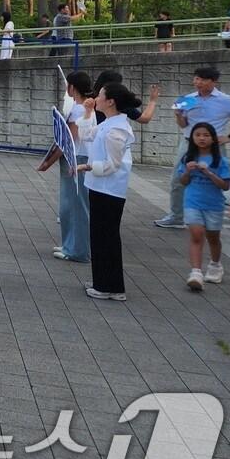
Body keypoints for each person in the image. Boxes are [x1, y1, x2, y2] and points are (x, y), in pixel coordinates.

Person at [155, 66, 230, 229]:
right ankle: (177, 217)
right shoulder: (188, 99)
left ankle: (211, 214)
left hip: (215, 146)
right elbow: (183, 124)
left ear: (213, 81)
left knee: (216, 178)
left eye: (203, 79)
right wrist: (178, 115)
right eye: (196, 78)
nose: (198, 83)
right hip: (189, 143)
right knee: (178, 178)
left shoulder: (225, 100)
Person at [74, 83, 140, 301]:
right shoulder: (110, 123)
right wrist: (87, 111)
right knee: (100, 236)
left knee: (106, 237)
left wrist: (87, 167)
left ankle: (111, 286)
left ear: (111, 101)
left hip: (109, 190)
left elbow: (113, 164)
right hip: (101, 187)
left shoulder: (116, 129)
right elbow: (86, 134)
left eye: (100, 95)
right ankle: (103, 281)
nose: (96, 97)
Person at [176, 122, 230, 291]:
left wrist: (208, 173)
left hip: (214, 205)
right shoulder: (187, 158)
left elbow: (225, 186)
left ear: (214, 139)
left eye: (206, 135)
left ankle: (215, 265)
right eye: (198, 135)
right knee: (196, 234)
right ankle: (196, 272)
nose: (202, 138)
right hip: (192, 202)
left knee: (213, 237)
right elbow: (183, 182)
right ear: (192, 138)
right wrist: (187, 171)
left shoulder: (221, 161)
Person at [52, 71, 95, 263]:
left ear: (72, 87)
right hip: (77, 158)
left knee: (76, 205)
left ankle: (77, 249)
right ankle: (70, 244)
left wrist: (48, 161)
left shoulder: (79, 110)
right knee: (70, 205)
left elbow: (70, 138)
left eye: (67, 85)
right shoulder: (82, 108)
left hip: (76, 159)